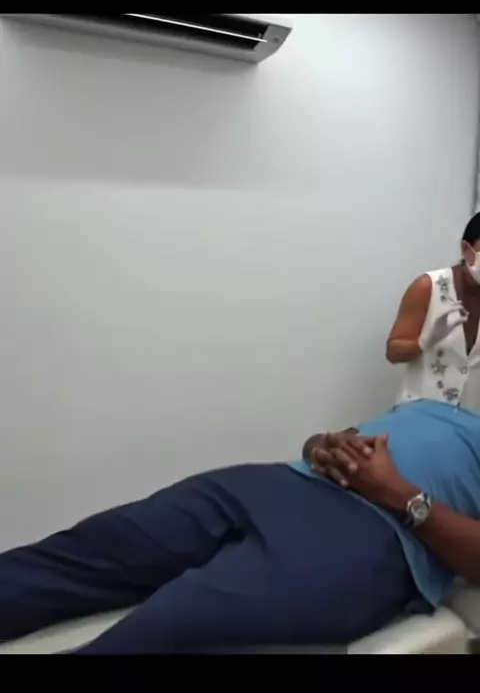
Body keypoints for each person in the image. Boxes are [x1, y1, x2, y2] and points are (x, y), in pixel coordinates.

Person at [1, 399, 480, 654]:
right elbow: (333, 441)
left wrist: (396, 493)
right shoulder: (425, 405)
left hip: (369, 535)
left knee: (171, 619)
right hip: (280, 480)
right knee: (97, 546)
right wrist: (322, 445)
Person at [387, 212, 480, 411]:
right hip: (419, 413)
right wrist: (424, 342)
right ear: (467, 249)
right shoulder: (428, 287)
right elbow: (393, 353)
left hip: (470, 420)